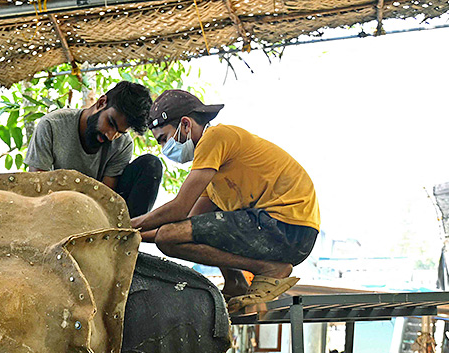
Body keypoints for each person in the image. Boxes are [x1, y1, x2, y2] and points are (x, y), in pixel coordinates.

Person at [130, 89, 320, 315]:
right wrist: (132, 236)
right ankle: (235, 282)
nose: (165, 148)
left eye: (164, 138)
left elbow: (179, 209)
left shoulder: (214, 138)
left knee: (169, 237)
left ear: (186, 125)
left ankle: (268, 269)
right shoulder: (213, 175)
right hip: (285, 231)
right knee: (173, 238)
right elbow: (186, 225)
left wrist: (126, 225)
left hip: (288, 227)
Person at [25, 80, 162, 217]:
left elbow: (105, 197)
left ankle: (128, 232)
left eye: (120, 132)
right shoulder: (51, 125)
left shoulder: (123, 143)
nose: (111, 135)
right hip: (54, 208)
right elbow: (37, 186)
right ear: (101, 103)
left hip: (96, 213)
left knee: (151, 164)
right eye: (110, 123)